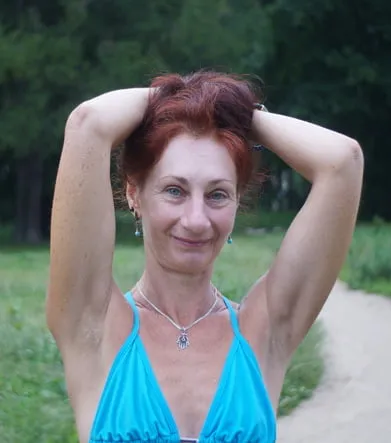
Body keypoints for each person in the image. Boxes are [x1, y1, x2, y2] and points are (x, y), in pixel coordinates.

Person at [46, 71, 364, 443]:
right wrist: (183, 97)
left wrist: (241, 116)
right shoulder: (91, 326)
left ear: (236, 202)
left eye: (217, 195)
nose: (197, 220)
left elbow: (343, 161)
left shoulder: (265, 331)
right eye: (174, 191)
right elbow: (90, 123)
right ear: (135, 194)